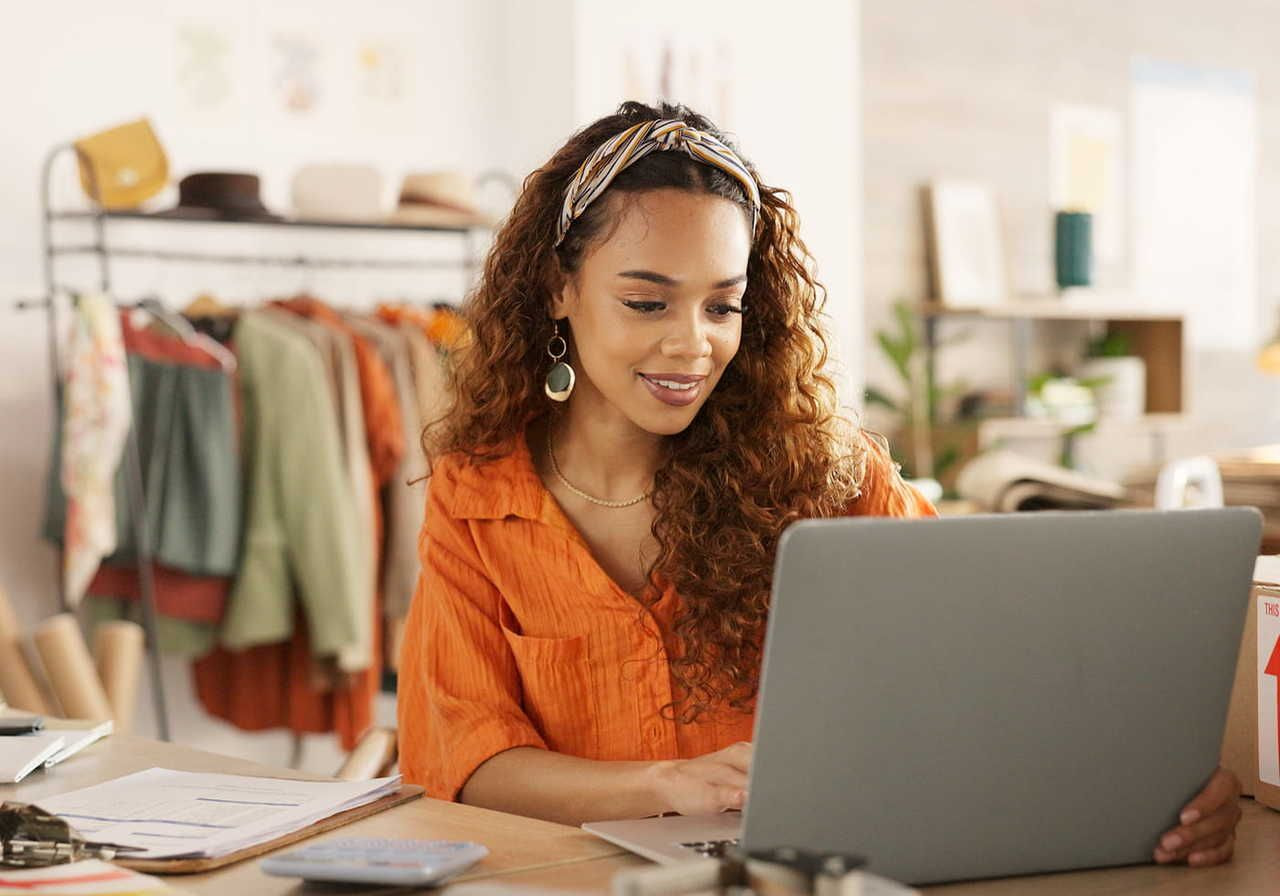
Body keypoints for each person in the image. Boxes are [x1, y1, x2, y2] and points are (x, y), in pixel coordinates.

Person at [396, 101, 1241, 866]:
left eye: (722, 306)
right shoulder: (477, 497)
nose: (693, 346)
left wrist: (1160, 782)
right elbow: (465, 759)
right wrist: (662, 785)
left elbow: (997, 663)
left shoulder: (827, 476)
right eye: (648, 304)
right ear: (558, 288)